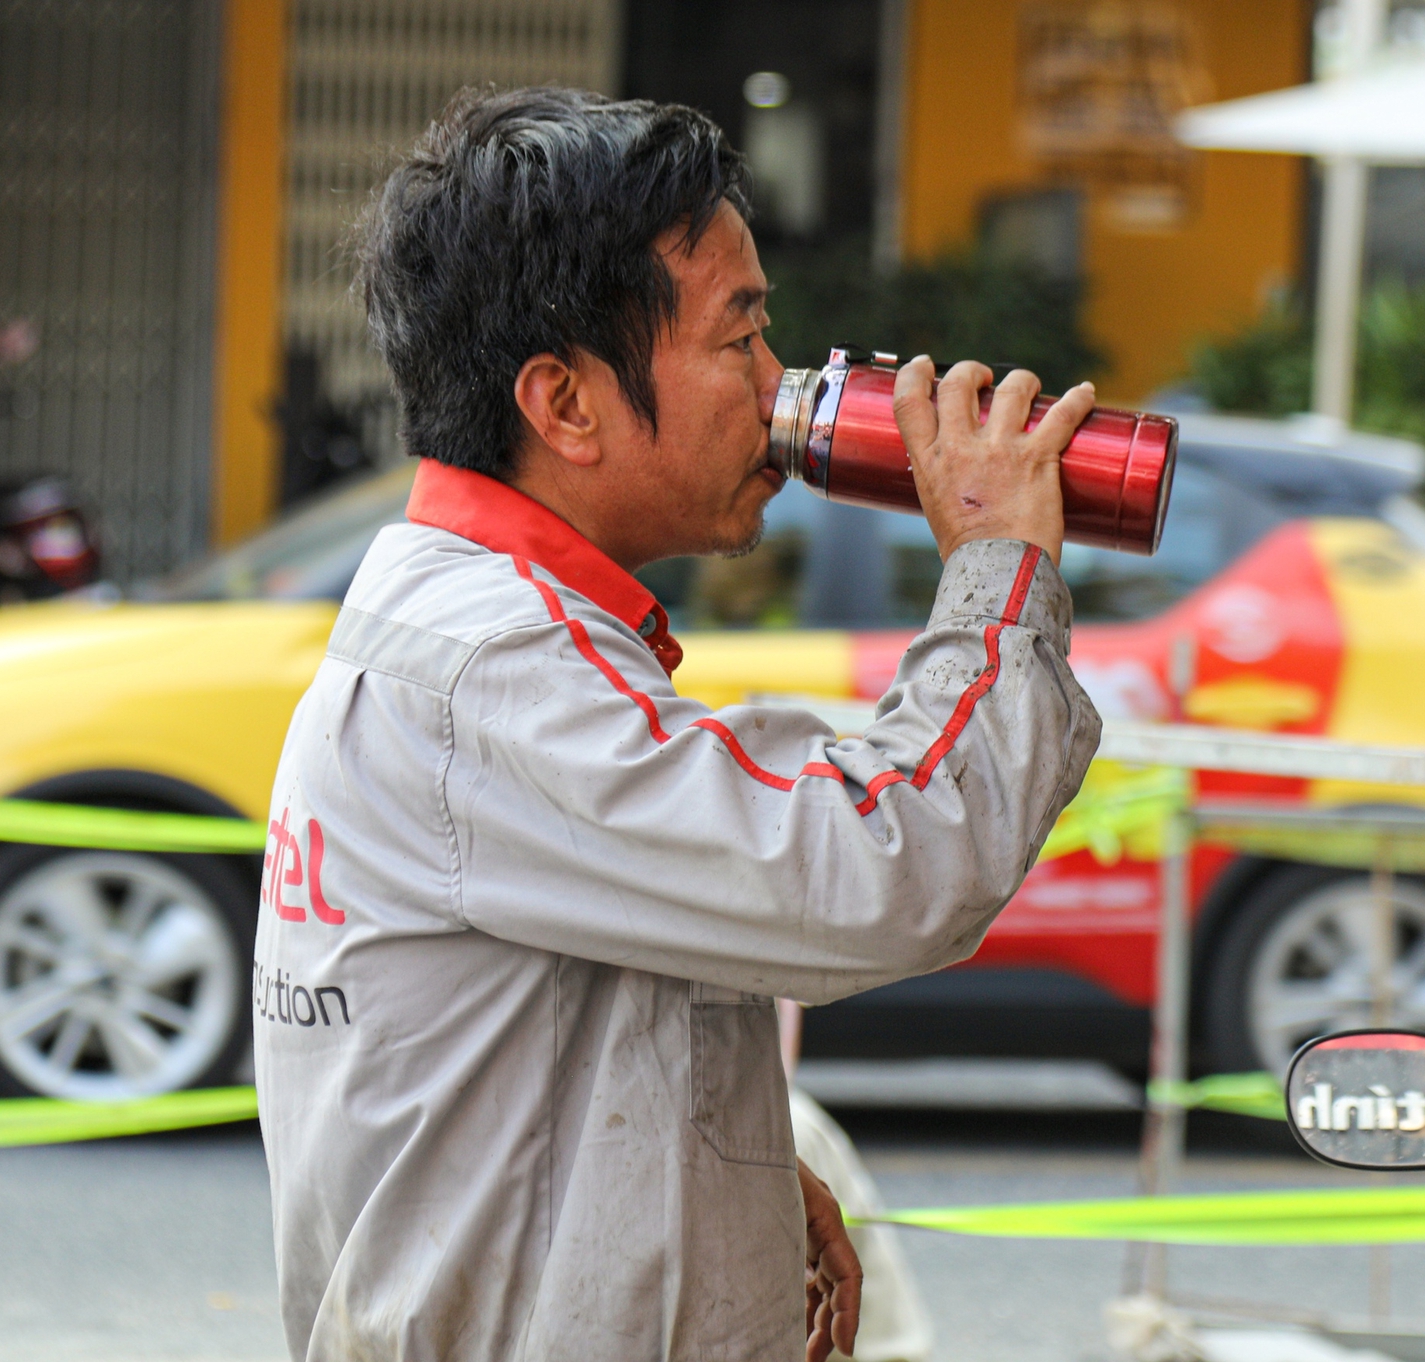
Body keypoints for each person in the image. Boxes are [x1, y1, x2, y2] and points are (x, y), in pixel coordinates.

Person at [253, 85, 1101, 1362]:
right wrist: (993, 573)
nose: (778, 386)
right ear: (565, 404)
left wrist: (739, 1191)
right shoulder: (488, 672)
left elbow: (578, 1025)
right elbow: (877, 868)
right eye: (738, 337)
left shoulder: (484, 632)